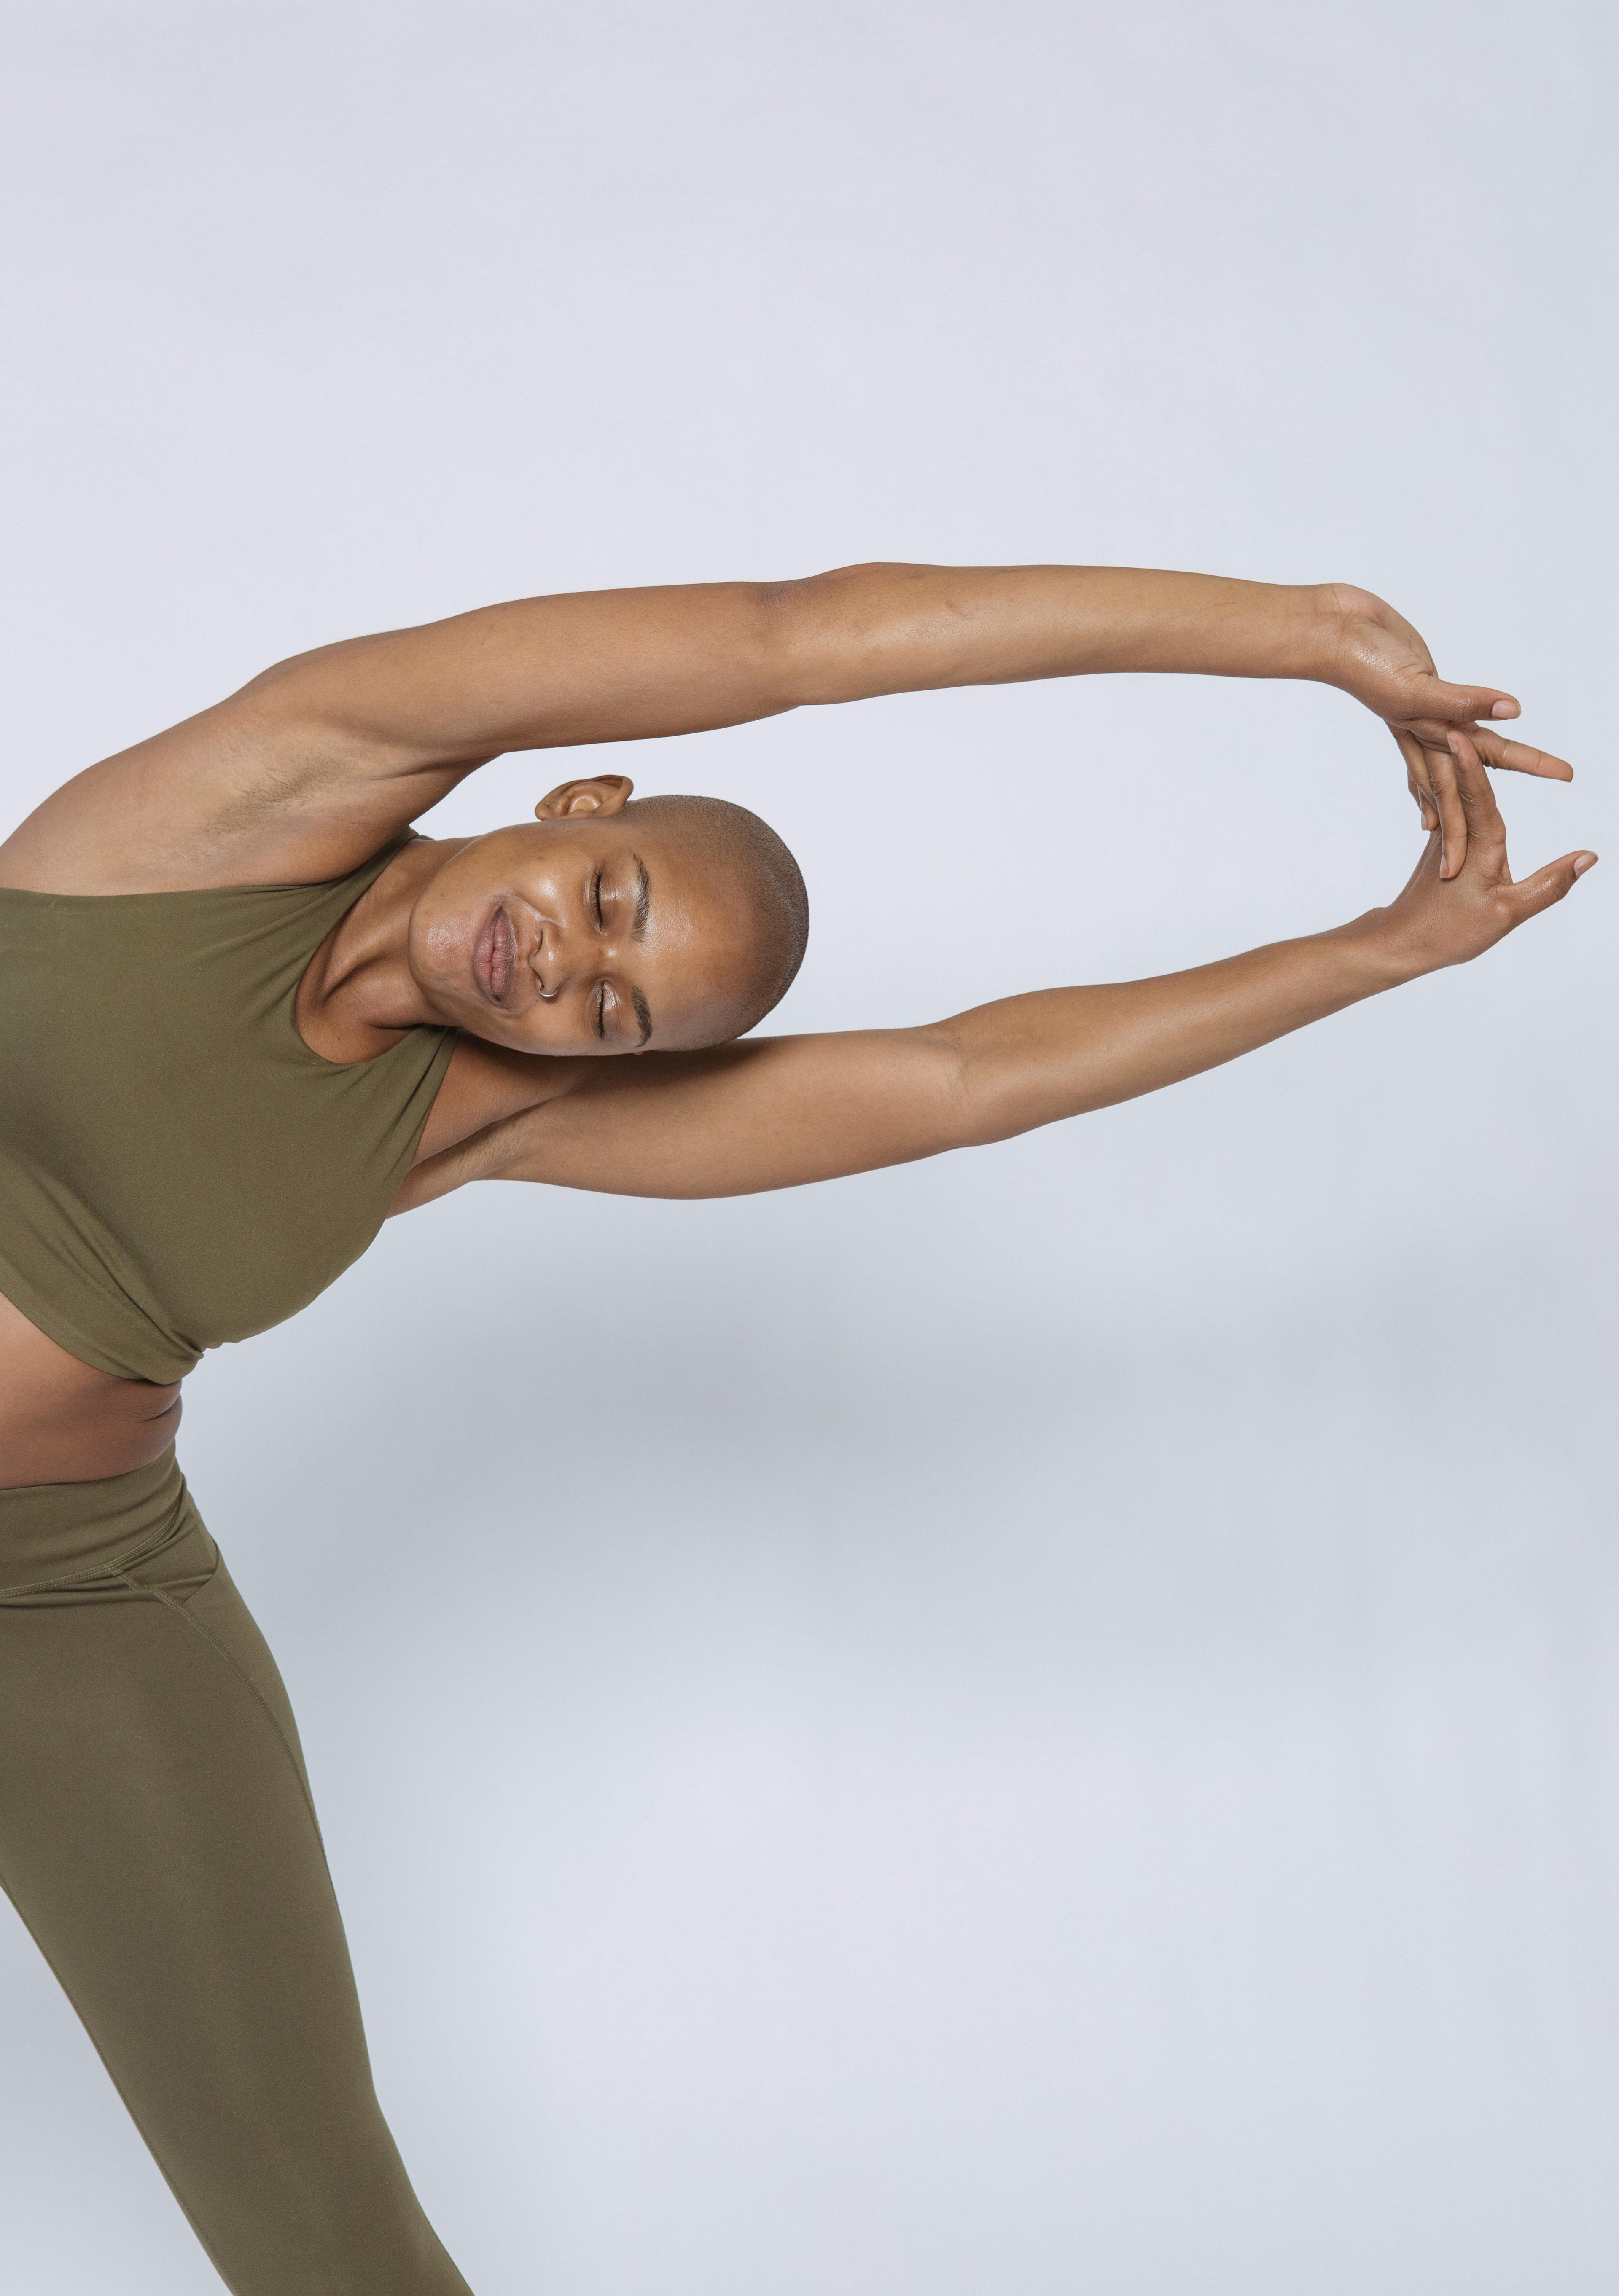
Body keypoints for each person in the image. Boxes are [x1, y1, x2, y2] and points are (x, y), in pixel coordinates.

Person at [0, 563, 1592, 2293]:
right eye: (610, 894)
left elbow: (966, 1077)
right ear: (585, 792)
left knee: (321, 2232)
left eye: (615, 1008)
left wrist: (1378, 949)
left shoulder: (483, 1109)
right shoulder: (274, 782)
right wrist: (1297, 631)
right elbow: (788, 640)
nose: (566, 963)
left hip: (67, 1599)